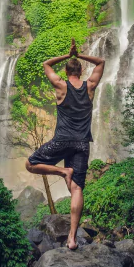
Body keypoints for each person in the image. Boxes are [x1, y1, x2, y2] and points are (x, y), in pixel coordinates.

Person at [25, 39, 105, 250]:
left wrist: (68, 55)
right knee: (77, 188)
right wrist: (79, 55)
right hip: (82, 143)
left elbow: (45, 64)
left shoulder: (61, 86)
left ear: (67, 70)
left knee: (31, 163)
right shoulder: (90, 86)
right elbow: (101, 62)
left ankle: (62, 172)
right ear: (81, 70)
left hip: (61, 141)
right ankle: (72, 238)